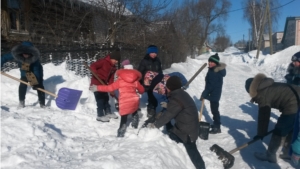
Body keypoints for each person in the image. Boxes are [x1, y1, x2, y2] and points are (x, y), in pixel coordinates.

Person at [149, 76, 205, 169]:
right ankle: (178, 141)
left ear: (170, 87)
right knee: (171, 132)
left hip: (188, 133)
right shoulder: (181, 94)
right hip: (191, 126)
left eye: (167, 86)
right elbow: (179, 106)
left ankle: (201, 167)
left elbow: (168, 115)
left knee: (192, 151)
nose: (166, 88)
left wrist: (155, 125)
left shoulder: (176, 99)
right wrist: (168, 105)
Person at [245, 73, 299, 163]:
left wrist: (261, 133)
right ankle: (287, 152)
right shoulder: (266, 85)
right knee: (290, 128)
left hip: (293, 104)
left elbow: (264, 115)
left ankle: (270, 155)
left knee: (280, 129)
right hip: (297, 98)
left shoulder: (262, 94)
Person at [89, 65, 144, 137]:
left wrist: (97, 88)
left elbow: (109, 88)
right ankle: (135, 123)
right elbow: (142, 90)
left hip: (124, 101)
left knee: (124, 116)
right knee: (134, 110)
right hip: (134, 99)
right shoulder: (135, 82)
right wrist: (139, 91)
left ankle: (121, 129)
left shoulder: (120, 81)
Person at [1, 41, 45, 108]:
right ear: (21, 52)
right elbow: (4, 58)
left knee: (39, 86)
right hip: (24, 70)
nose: (26, 55)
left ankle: (42, 103)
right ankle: (21, 102)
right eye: (24, 54)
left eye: (27, 54)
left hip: (35, 70)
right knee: (23, 83)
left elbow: (36, 70)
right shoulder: (16, 54)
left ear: (31, 53)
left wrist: (36, 82)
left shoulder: (35, 58)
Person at [90, 49, 120, 122]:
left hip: (104, 85)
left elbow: (111, 79)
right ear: (111, 57)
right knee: (100, 100)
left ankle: (108, 112)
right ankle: (100, 115)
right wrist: (95, 73)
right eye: (115, 59)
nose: (116, 61)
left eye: (117, 60)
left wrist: (111, 88)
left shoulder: (113, 68)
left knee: (106, 98)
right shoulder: (103, 62)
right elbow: (93, 66)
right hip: (96, 83)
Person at [200, 53, 226, 134]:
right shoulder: (214, 69)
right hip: (215, 93)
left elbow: (210, 86)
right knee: (214, 110)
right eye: (209, 61)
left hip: (214, 94)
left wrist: (204, 94)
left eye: (212, 62)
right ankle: (216, 125)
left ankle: (217, 127)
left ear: (216, 63)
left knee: (214, 111)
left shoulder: (214, 72)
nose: (210, 63)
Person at [138, 45, 163, 118]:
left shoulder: (158, 61)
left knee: (155, 95)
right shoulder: (144, 61)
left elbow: (160, 71)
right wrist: (139, 82)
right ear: (148, 53)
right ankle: (151, 109)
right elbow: (140, 72)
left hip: (156, 81)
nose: (154, 54)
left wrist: (161, 78)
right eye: (152, 52)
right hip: (147, 82)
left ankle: (153, 107)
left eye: (155, 52)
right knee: (151, 95)